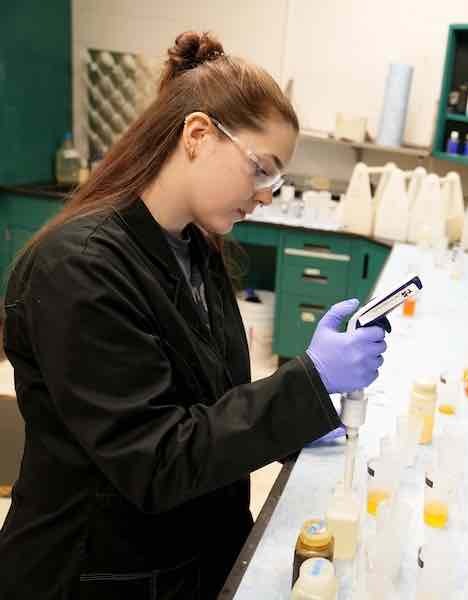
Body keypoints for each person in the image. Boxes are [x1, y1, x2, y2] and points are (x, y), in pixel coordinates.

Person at [0, 31, 388, 599]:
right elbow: (157, 460)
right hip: (95, 572)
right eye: (261, 169)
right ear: (199, 135)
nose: (266, 196)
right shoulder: (79, 269)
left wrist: (297, 421)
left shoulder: (194, 246)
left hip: (185, 551)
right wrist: (308, 379)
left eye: (275, 180)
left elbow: (206, 399)